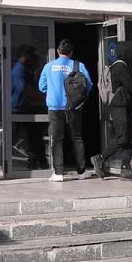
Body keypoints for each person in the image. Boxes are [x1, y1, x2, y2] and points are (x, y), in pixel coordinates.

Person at [37, 39, 93, 181]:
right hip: (73, 107)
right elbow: (89, 85)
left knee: (57, 140)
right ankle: (81, 171)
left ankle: (58, 173)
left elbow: (41, 87)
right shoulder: (78, 65)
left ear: (58, 51)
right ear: (71, 53)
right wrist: (78, 98)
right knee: (77, 139)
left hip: (55, 108)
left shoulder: (49, 67)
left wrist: (53, 90)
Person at [93, 40, 132, 178]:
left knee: (129, 137)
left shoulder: (120, 66)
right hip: (119, 106)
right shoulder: (120, 66)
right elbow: (130, 86)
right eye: (130, 51)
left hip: (123, 106)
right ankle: (100, 157)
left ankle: (125, 166)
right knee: (122, 137)